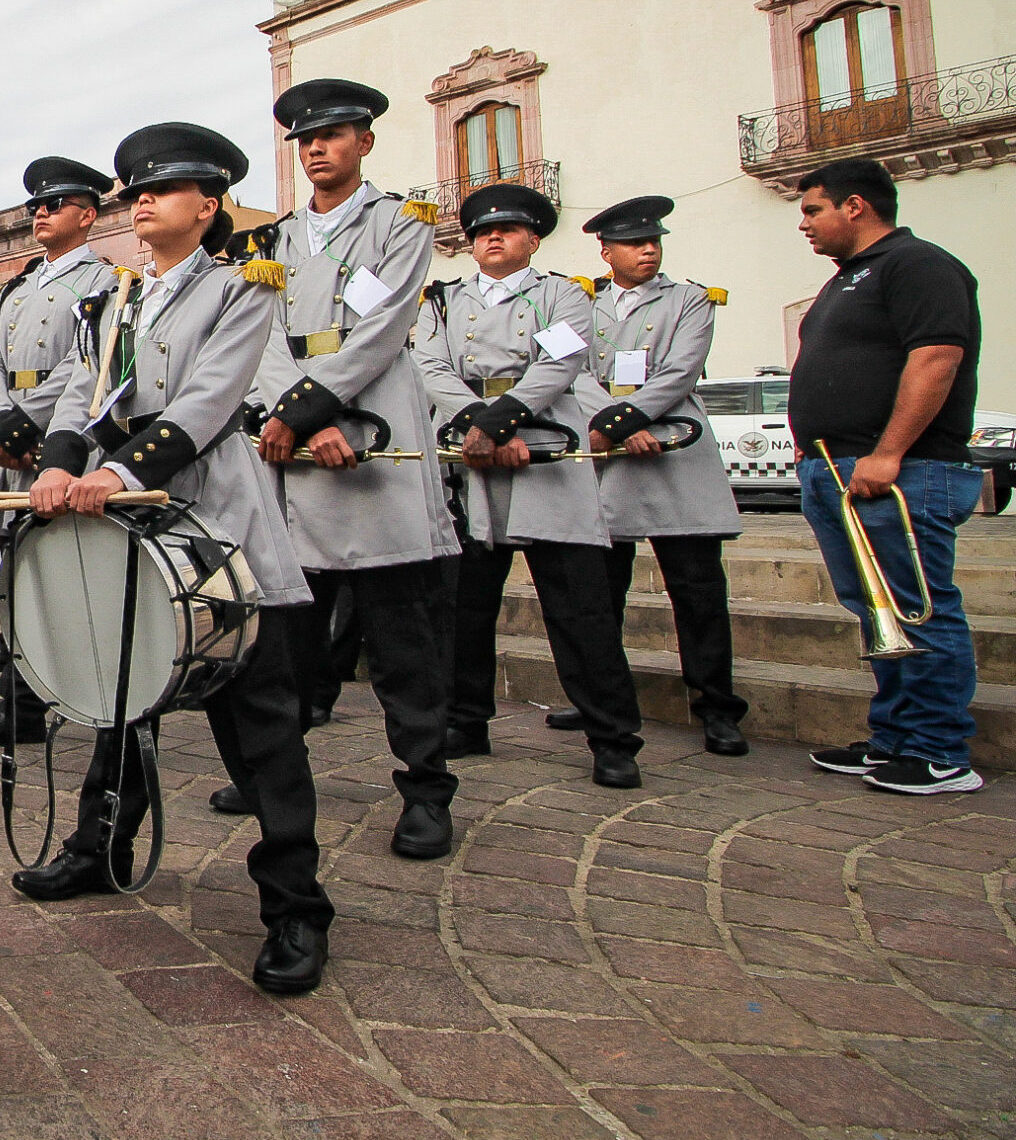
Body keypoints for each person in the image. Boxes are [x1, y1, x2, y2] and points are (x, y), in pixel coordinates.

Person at [20, 123, 335, 991]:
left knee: (259, 721)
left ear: (209, 205)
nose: (143, 201)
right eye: (136, 192)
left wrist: (119, 470)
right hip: (125, 522)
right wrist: (57, 464)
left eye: (163, 189)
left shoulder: (240, 289)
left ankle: (296, 906)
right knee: (120, 692)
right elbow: (81, 395)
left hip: (215, 520)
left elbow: (208, 400)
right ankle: (101, 845)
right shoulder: (113, 301)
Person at [230, 79, 462, 860]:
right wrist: (296, 415)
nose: (316, 149)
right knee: (286, 642)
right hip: (296, 448)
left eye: (331, 135)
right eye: (305, 139)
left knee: (402, 644)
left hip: (373, 438)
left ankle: (426, 788)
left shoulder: (401, 223)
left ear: (364, 141)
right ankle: (275, 775)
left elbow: (384, 326)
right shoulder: (270, 242)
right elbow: (260, 336)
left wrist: (310, 409)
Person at [414, 185, 644, 787]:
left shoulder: (562, 294)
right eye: (482, 232)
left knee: (580, 608)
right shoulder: (443, 300)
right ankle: (465, 720)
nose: (492, 238)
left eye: (508, 230)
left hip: (545, 450)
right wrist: (476, 426)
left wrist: (500, 423)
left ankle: (612, 738)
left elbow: (561, 363)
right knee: (464, 606)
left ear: (533, 240)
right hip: (468, 453)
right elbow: (430, 365)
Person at [788, 159, 985, 795]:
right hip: (836, 469)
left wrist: (888, 452)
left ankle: (939, 752)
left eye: (812, 210)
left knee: (918, 608)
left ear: (854, 206)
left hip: (900, 471)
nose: (804, 224)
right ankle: (896, 739)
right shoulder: (849, 278)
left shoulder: (918, 264)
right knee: (880, 612)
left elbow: (937, 358)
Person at [551, 197, 747, 755]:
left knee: (698, 593)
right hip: (607, 458)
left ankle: (717, 706)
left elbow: (681, 370)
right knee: (599, 594)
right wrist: (613, 427)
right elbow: (569, 371)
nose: (648, 251)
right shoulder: (577, 304)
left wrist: (627, 420)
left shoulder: (690, 300)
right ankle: (599, 698)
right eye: (634, 243)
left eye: (654, 242)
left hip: (673, 449)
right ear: (606, 251)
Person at [0, 155, 112, 755]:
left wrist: (26, 419)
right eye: (35, 206)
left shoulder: (103, 282)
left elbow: (88, 361)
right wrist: (0, 419)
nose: (40, 213)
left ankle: (71, 688)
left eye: (54, 204)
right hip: (11, 438)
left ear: (87, 216)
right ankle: (21, 698)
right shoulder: (19, 288)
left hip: (62, 437)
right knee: (17, 566)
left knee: (63, 571)